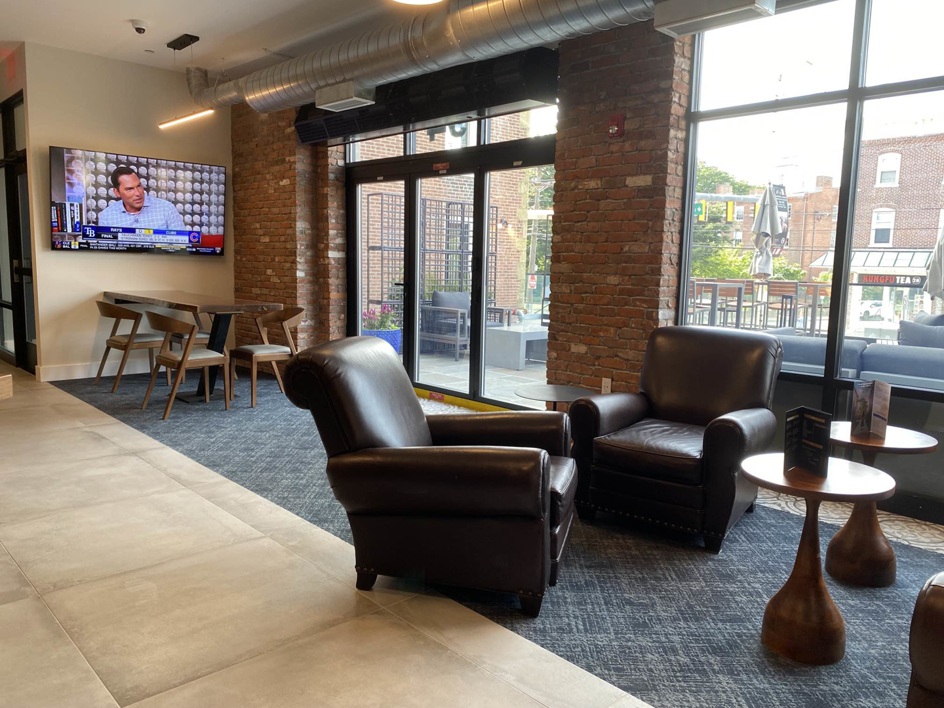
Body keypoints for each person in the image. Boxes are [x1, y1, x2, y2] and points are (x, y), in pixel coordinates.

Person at [98, 166, 185, 230]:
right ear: (117, 193)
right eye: (130, 189)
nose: (138, 193)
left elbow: (183, 246)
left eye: (139, 186)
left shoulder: (166, 208)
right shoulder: (107, 216)